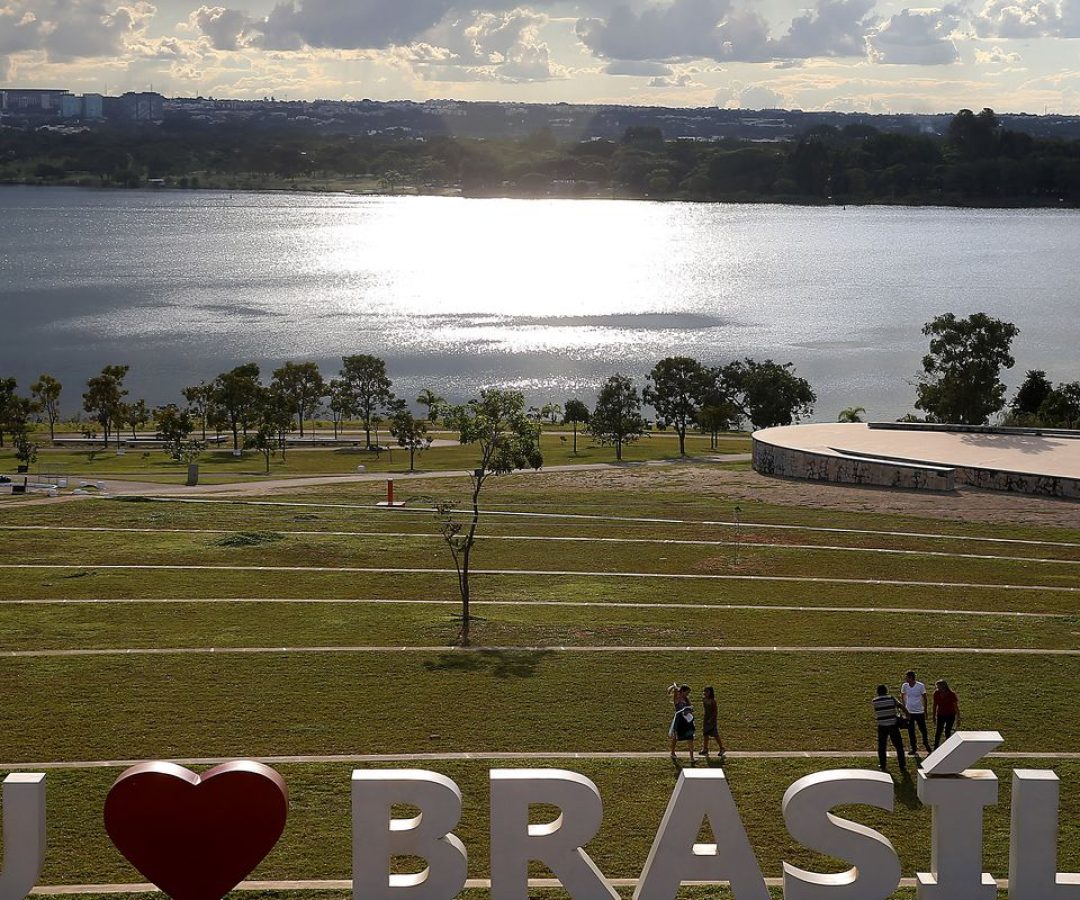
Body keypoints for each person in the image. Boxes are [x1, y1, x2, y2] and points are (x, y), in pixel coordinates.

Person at [873, 684, 907, 771]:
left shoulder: (875, 701)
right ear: (886, 691)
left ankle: (883, 765)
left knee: (882, 747)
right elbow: (901, 706)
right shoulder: (891, 698)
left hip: (882, 726)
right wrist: (908, 715)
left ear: (878, 692)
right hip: (893, 725)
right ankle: (902, 765)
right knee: (899, 746)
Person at [901, 670, 932, 756]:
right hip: (909, 712)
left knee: (923, 730)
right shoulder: (905, 686)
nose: (905, 679)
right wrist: (905, 708)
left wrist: (925, 710)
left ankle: (926, 744)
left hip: (919, 712)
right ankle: (913, 747)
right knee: (911, 730)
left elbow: (925, 698)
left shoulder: (920, 686)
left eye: (907, 677)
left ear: (911, 678)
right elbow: (903, 695)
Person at [668, 683, 696, 766]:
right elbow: (673, 691)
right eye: (687, 692)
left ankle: (691, 757)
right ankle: (672, 752)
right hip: (679, 720)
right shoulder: (677, 699)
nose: (688, 694)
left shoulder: (686, 700)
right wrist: (674, 687)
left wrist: (690, 709)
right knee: (676, 738)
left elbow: (691, 708)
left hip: (687, 721)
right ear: (682, 691)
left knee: (690, 738)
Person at [701, 686, 726, 763]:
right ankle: (705, 748)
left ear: (711, 692)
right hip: (706, 719)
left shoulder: (713, 701)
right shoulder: (704, 699)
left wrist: (711, 719)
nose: (705, 693)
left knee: (715, 735)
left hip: (712, 720)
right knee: (705, 734)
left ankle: (722, 748)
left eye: (707, 692)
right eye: (704, 691)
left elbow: (715, 712)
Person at [932, 679, 960, 748]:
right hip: (940, 714)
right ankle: (935, 747)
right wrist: (933, 716)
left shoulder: (951, 694)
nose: (937, 688)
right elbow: (935, 705)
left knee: (947, 731)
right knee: (938, 731)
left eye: (938, 686)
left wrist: (958, 718)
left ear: (943, 686)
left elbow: (955, 706)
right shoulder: (936, 693)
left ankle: (948, 747)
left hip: (950, 715)